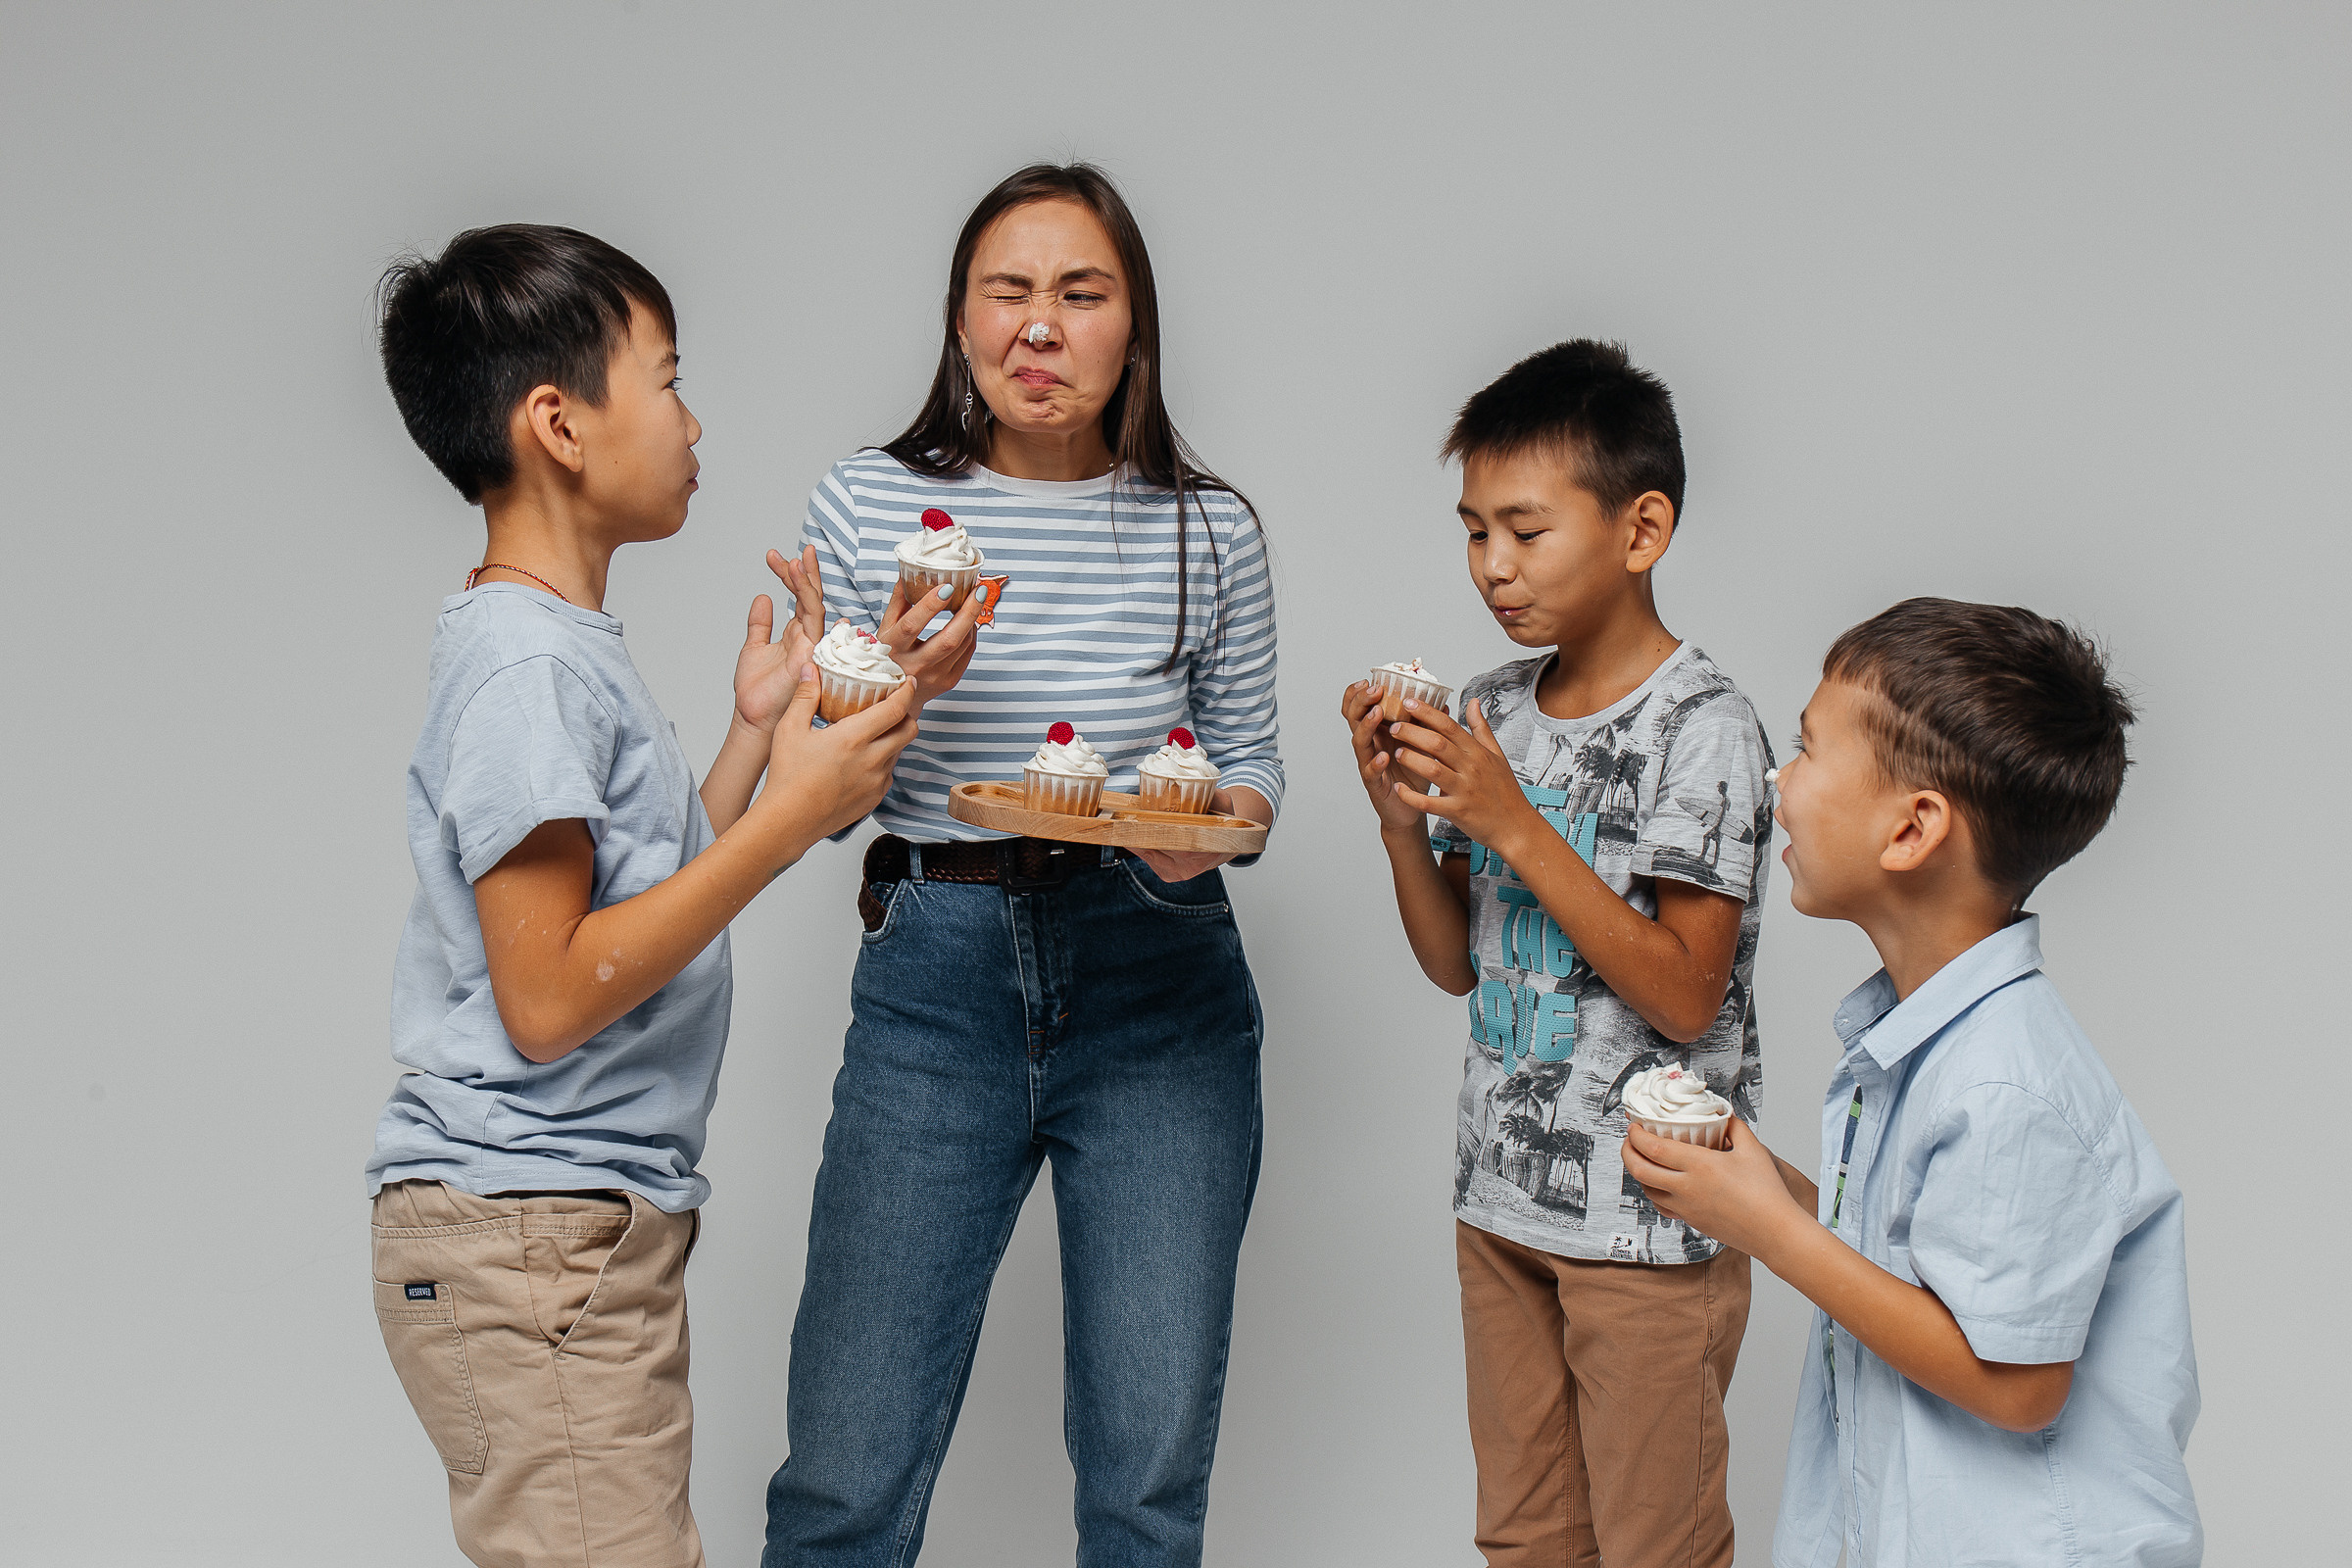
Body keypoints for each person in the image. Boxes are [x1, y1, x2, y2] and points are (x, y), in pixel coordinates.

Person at [364, 223, 948, 1568]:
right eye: (669, 379)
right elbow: (555, 995)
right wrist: (793, 812)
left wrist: (761, 742)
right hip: (530, 1244)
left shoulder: (554, 648)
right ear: (560, 424)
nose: (693, 420)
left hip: (563, 1239)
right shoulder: (528, 669)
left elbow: (643, 902)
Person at [759, 164, 1282, 1568]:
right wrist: (898, 686)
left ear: (1135, 330)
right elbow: (804, 804)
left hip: (1162, 985)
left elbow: (1250, 766)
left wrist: (1204, 835)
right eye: (1009, 290)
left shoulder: (1209, 529)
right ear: (961, 322)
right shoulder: (871, 506)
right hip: (938, 973)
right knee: (847, 1474)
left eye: (1080, 292)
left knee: (1146, 1480)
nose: (1040, 326)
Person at [1624, 598, 2202, 1567]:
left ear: (1912, 829)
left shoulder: (2006, 1085)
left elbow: (2019, 1383)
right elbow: (1917, 1276)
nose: (1779, 776)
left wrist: (1768, 1226)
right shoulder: (1924, 1044)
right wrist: (1763, 1187)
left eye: (1808, 751)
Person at [1343, 341, 1772, 1567]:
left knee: (1656, 1545)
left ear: (1642, 530)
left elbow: (1687, 996)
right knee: (1527, 1537)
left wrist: (1511, 821)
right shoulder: (1494, 707)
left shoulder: (1705, 727)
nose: (1492, 567)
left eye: (1525, 531)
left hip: (1648, 1223)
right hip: (1501, 1202)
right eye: (1474, 531)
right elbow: (1460, 968)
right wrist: (1400, 820)